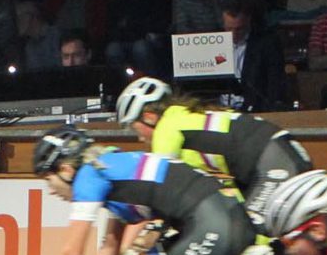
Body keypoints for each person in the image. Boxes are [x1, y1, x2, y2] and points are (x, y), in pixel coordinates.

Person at [20, 128, 255, 255]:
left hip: (211, 223)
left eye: (48, 180)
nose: (50, 190)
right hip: (216, 217)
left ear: (65, 170)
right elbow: (111, 246)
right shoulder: (108, 168)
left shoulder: (88, 178)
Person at [113, 76, 312, 220]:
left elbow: (157, 187)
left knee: (251, 243)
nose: (139, 138)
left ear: (149, 116)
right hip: (279, 153)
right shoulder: (187, 116)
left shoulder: (167, 127)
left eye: (135, 128)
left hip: (273, 162)